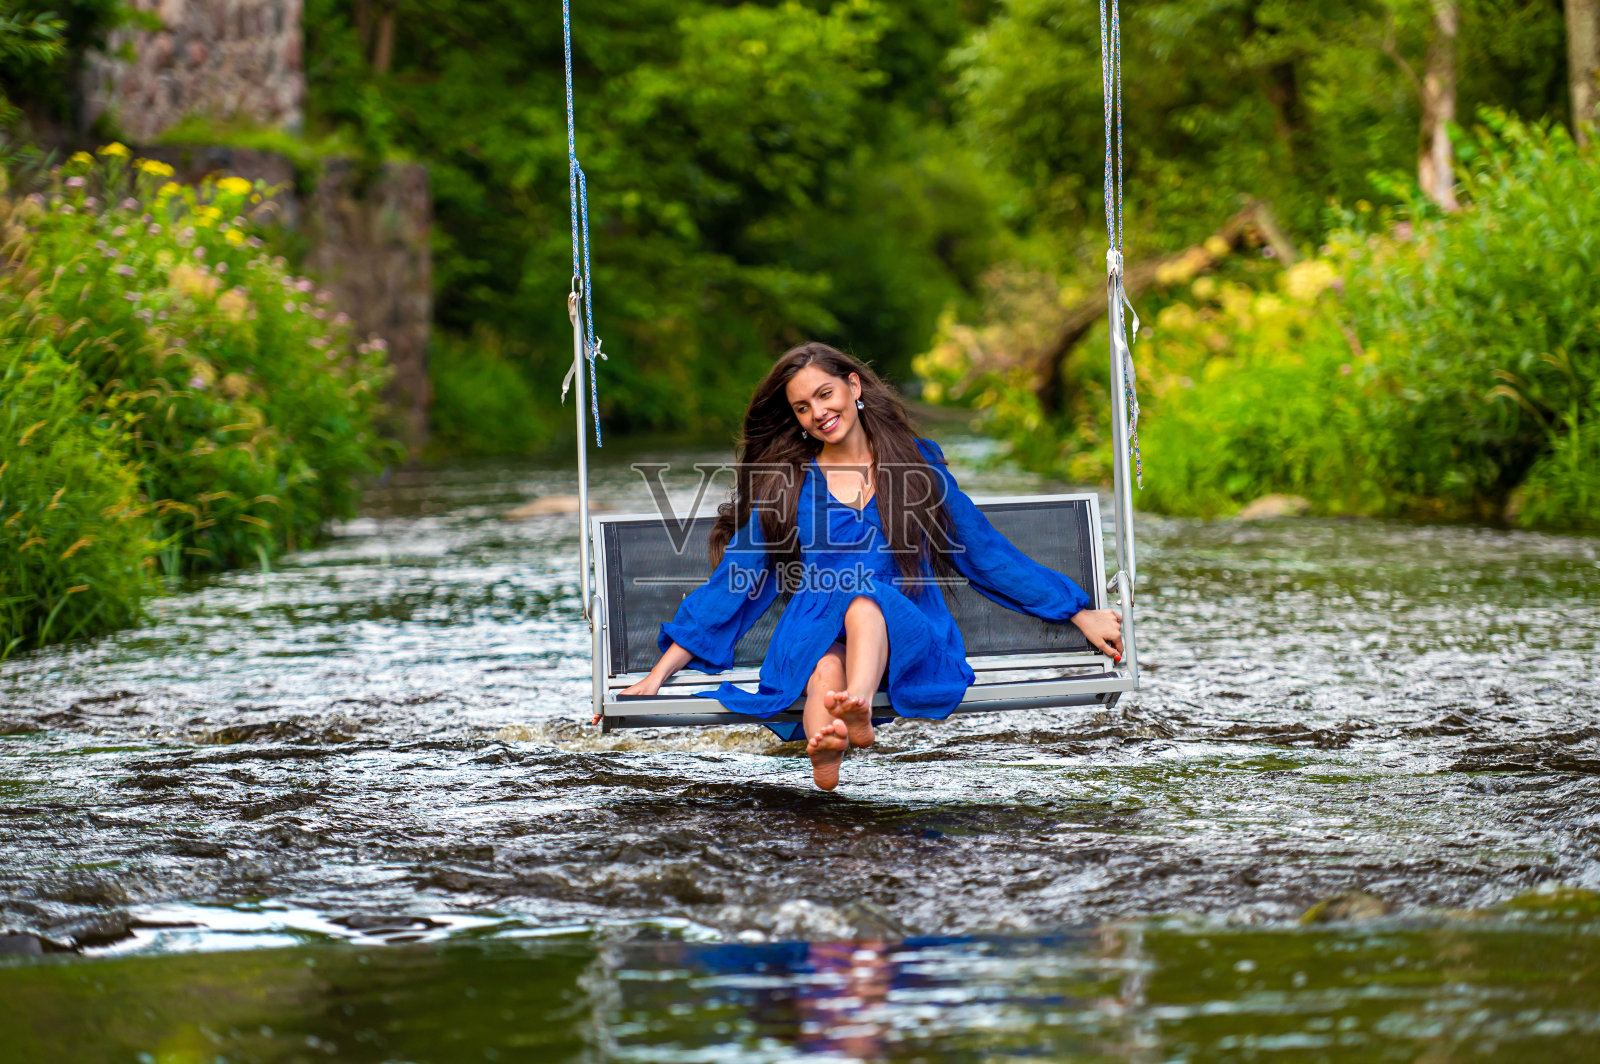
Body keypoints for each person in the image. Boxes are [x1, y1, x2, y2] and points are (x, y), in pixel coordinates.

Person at [620, 342, 1124, 790]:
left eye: (824, 395)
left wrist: (1077, 611)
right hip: (817, 624)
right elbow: (736, 577)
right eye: (802, 407)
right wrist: (659, 673)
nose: (818, 412)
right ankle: (828, 752)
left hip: (903, 629)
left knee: (865, 602)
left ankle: (855, 705)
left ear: (853, 386)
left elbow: (985, 552)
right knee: (821, 666)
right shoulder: (790, 484)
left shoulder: (915, 470)